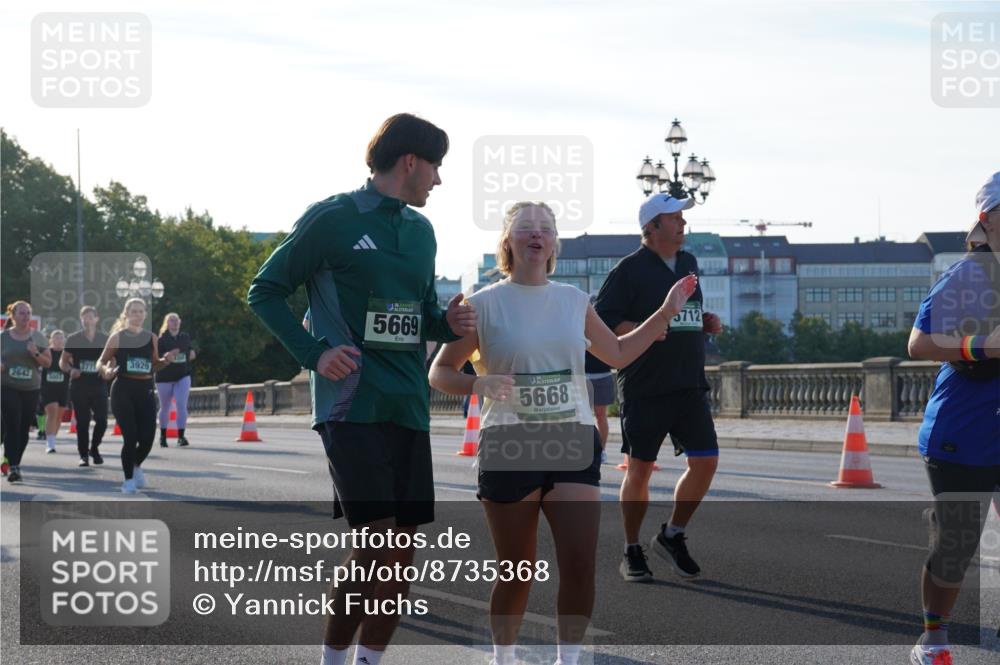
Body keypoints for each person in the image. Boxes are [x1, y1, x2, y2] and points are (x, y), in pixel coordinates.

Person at [248, 113, 475, 665]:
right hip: (350, 404)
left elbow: (420, 315)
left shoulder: (421, 232)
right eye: (436, 167)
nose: (439, 180)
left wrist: (447, 323)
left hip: (408, 406)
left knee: (400, 556)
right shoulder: (332, 218)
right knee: (376, 546)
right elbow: (264, 291)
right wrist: (314, 354)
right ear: (410, 162)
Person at [429, 201, 697, 665]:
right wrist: (478, 384)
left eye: (546, 228)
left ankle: (567, 659)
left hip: (572, 438)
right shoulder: (483, 304)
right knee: (517, 570)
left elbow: (617, 352)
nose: (536, 234)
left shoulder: (574, 300)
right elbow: (440, 372)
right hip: (510, 443)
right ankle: (503, 658)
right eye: (525, 228)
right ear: (508, 241)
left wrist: (665, 312)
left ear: (554, 243)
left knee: (578, 563)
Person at [594, 192, 723, 582]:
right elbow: (602, 321)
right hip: (645, 386)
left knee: (706, 460)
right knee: (640, 470)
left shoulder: (688, 262)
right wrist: (642, 330)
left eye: (682, 217)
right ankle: (631, 548)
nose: (683, 223)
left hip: (689, 383)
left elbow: (684, 312)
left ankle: (672, 534)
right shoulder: (628, 270)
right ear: (651, 227)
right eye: (674, 218)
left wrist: (704, 321)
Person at [905, 172, 1000, 665]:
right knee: (956, 547)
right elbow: (919, 344)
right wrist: (982, 345)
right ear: (988, 219)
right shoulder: (968, 276)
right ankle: (933, 638)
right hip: (962, 432)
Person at [97, 298, 178, 494]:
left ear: (145, 314)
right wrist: (105, 371)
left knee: (148, 438)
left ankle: (135, 465)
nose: (138, 315)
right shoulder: (118, 337)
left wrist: (166, 360)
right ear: (126, 314)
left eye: (141, 311)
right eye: (134, 311)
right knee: (130, 437)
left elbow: (154, 365)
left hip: (145, 389)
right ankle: (128, 481)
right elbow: (101, 361)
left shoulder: (151, 338)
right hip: (123, 389)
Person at [0, 301, 52, 483]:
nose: (25, 316)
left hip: (31, 388)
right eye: (22, 313)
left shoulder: (38, 337)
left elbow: (48, 363)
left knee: (23, 429)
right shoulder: (3, 337)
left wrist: (35, 353)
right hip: (7, 387)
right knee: (12, 424)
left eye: (28, 313)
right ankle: (14, 467)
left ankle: (13, 461)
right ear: (13, 316)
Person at [61, 306, 111, 467]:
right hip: (79, 385)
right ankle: (83, 455)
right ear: (81, 320)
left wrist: (107, 370)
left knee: (102, 421)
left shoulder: (104, 338)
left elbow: (113, 359)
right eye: (84, 318)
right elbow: (63, 361)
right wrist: (70, 370)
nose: (87, 320)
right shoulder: (74, 338)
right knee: (82, 422)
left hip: (98, 384)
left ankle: (94, 448)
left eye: (90, 317)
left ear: (97, 319)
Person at [155, 312, 196, 448]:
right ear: (167, 323)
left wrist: (191, 352)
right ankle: (162, 436)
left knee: (181, 405)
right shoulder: (161, 340)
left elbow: (188, 351)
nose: (175, 322)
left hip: (182, 376)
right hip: (164, 377)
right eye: (172, 320)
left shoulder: (185, 337)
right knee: (165, 407)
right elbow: (157, 357)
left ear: (180, 321)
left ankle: (181, 437)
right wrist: (165, 356)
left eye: (177, 320)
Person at [39, 330, 70, 453]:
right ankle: (50, 444)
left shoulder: (67, 354)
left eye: (61, 338)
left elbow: (73, 366)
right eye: (56, 338)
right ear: (51, 340)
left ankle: (52, 439)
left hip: (63, 388)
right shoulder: (47, 352)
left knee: (58, 417)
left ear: (64, 340)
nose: (59, 340)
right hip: (48, 388)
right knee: (52, 412)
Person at [584, 348, 615, 464]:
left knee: (600, 416)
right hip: (582, 375)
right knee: (583, 417)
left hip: (603, 375)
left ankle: (601, 451)